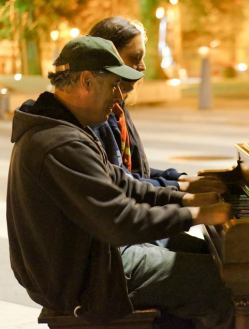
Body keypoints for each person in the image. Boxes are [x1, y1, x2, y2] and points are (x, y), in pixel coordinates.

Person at [6, 36, 234, 329]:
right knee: (221, 282)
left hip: (91, 257)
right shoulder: (60, 143)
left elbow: (122, 185)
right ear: (87, 81)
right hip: (83, 278)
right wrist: (196, 214)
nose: (118, 97)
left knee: (207, 255)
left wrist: (185, 199)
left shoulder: (67, 129)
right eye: (113, 85)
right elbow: (118, 221)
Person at [88, 16, 223, 194]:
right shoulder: (97, 114)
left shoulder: (118, 106)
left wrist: (177, 177)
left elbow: (134, 171)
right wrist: (181, 189)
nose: (142, 67)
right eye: (135, 57)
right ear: (107, 59)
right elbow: (118, 182)